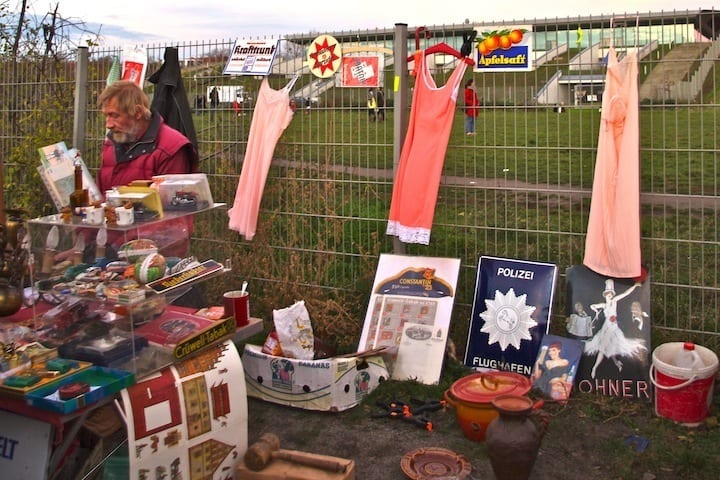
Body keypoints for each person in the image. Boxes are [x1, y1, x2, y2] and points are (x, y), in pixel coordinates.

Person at [97, 80, 199, 257]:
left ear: (137, 112)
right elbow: (102, 200)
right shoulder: (111, 145)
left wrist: (120, 249)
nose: (108, 124)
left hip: (158, 253)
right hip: (112, 249)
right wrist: (82, 243)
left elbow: (173, 215)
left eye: (114, 115)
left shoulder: (171, 148)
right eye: (106, 116)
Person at [584, 279, 646, 378]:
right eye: (607, 295)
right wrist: (596, 310)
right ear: (605, 295)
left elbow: (625, 293)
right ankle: (612, 364)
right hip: (606, 327)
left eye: (610, 294)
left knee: (605, 347)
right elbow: (592, 306)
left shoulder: (614, 301)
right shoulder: (604, 305)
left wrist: (634, 286)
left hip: (613, 327)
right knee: (607, 346)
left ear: (612, 295)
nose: (609, 296)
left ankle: (598, 367)